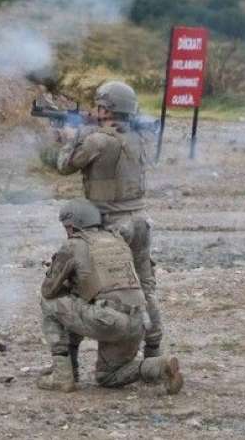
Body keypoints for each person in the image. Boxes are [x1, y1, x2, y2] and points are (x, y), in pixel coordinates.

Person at [56, 81, 162, 358]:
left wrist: (70, 139)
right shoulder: (141, 136)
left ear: (106, 108)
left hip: (110, 225)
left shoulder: (97, 141)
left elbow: (65, 166)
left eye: (99, 106)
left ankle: (68, 361)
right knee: (145, 286)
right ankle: (154, 350)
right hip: (139, 219)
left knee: (83, 287)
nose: (95, 109)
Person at [37, 199, 183, 394]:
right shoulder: (118, 241)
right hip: (137, 321)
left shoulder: (73, 245)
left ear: (71, 226)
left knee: (49, 302)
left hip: (108, 320)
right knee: (108, 376)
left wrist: (62, 276)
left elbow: (49, 289)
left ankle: (62, 374)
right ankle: (158, 366)